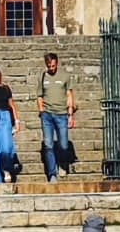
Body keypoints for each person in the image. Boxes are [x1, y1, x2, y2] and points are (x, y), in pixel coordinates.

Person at [37, 51, 76, 182]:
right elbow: (39, 95)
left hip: (62, 114)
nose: (51, 68)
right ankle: (52, 173)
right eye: (49, 66)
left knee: (64, 145)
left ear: (57, 63)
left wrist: (70, 114)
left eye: (53, 66)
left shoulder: (65, 76)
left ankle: (63, 163)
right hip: (47, 115)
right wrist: (41, 110)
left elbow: (70, 95)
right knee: (48, 144)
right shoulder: (42, 76)